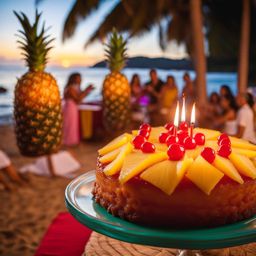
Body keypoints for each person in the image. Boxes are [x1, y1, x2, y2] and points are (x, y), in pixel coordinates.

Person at [62, 73, 94, 146]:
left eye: (80, 78)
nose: (80, 79)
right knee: (70, 125)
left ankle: (72, 142)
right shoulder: (70, 88)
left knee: (73, 125)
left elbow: (80, 98)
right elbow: (78, 99)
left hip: (74, 107)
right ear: (73, 79)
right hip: (69, 107)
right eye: (78, 78)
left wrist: (87, 91)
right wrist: (87, 90)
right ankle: (68, 142)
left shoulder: (76, 87)